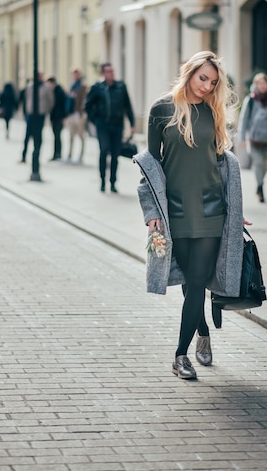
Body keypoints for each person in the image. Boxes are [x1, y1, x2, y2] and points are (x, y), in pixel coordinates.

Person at [133, 51, 247, 380]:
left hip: (213, 209)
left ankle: (180, 356)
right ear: (189, 72)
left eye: (213, 82)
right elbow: (150, 166)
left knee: (197, 280)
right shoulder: (161, 110)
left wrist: (235, 210)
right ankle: (203, 329)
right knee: (188, 282)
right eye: (203, 78)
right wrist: (151, 212)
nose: (207, 86)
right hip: (177, 210)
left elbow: (223, 164)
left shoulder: (212, 110)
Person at [85, 62, 135, 192]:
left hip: (117, 125)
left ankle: (113, 182)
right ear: (103, 73)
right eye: (108, 71)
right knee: (104, 149)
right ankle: (102, 181)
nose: (111, 73)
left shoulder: (120, 87)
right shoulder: (97, 87)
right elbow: (88, 106)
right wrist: (95, 120)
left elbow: (127, 106)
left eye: (112, 71)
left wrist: (132, 123)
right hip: (103, 125)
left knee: (115, 154)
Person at [239, 72, 267, 203]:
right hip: (254, 140)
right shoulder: (251, 100)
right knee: (258, 164)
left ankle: (260, 183)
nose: (262, 86)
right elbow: (244, 119)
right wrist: (242, 138)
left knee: (265, 166)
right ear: (256, 85)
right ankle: (260, 187)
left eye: (264, 83)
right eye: (260, 83)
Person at [21, 72, 54, 177]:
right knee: (27, 135)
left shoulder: (46, 87)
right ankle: (24, 155)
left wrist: (45, 110)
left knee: (38, 137)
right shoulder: (30, 86)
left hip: (40, 115)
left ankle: (37, 156)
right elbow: (26, 99)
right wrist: (26, 112)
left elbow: (51, 101)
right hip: (30, 114)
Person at [65, 67, 87, 163]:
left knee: (81, 135)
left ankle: (81, 155)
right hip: (71, 113)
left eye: (76, 74)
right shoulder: (72, 85)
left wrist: (81, 112)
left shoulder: (82, 86)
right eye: (73, 74)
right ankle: (69, 155)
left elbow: (85, 100)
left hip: (79, 114)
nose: (75, 76)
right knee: (70, 135)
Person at [47, 77, 67, 160]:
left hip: (58, 117)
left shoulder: (58, 91)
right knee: (56, 135)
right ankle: (56, 153)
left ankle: (57, 153)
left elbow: (63, 104)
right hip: (55, 116)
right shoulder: (55, 90)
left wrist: (63, 116)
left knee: (57, 136)